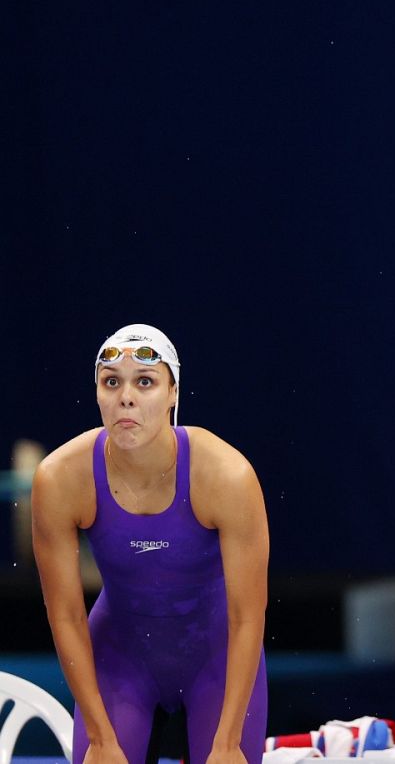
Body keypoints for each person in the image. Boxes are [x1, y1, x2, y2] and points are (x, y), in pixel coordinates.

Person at [31, 324, 270, 764]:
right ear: (98, 393)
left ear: (173, 392)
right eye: (112, 382)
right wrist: (101, 738)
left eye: (145, 381)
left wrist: (229, 741)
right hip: (120, 659)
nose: (126, 397)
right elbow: (65, 614)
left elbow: (246, 615)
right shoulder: (61, 478)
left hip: (215, 657)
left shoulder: (226, 476)